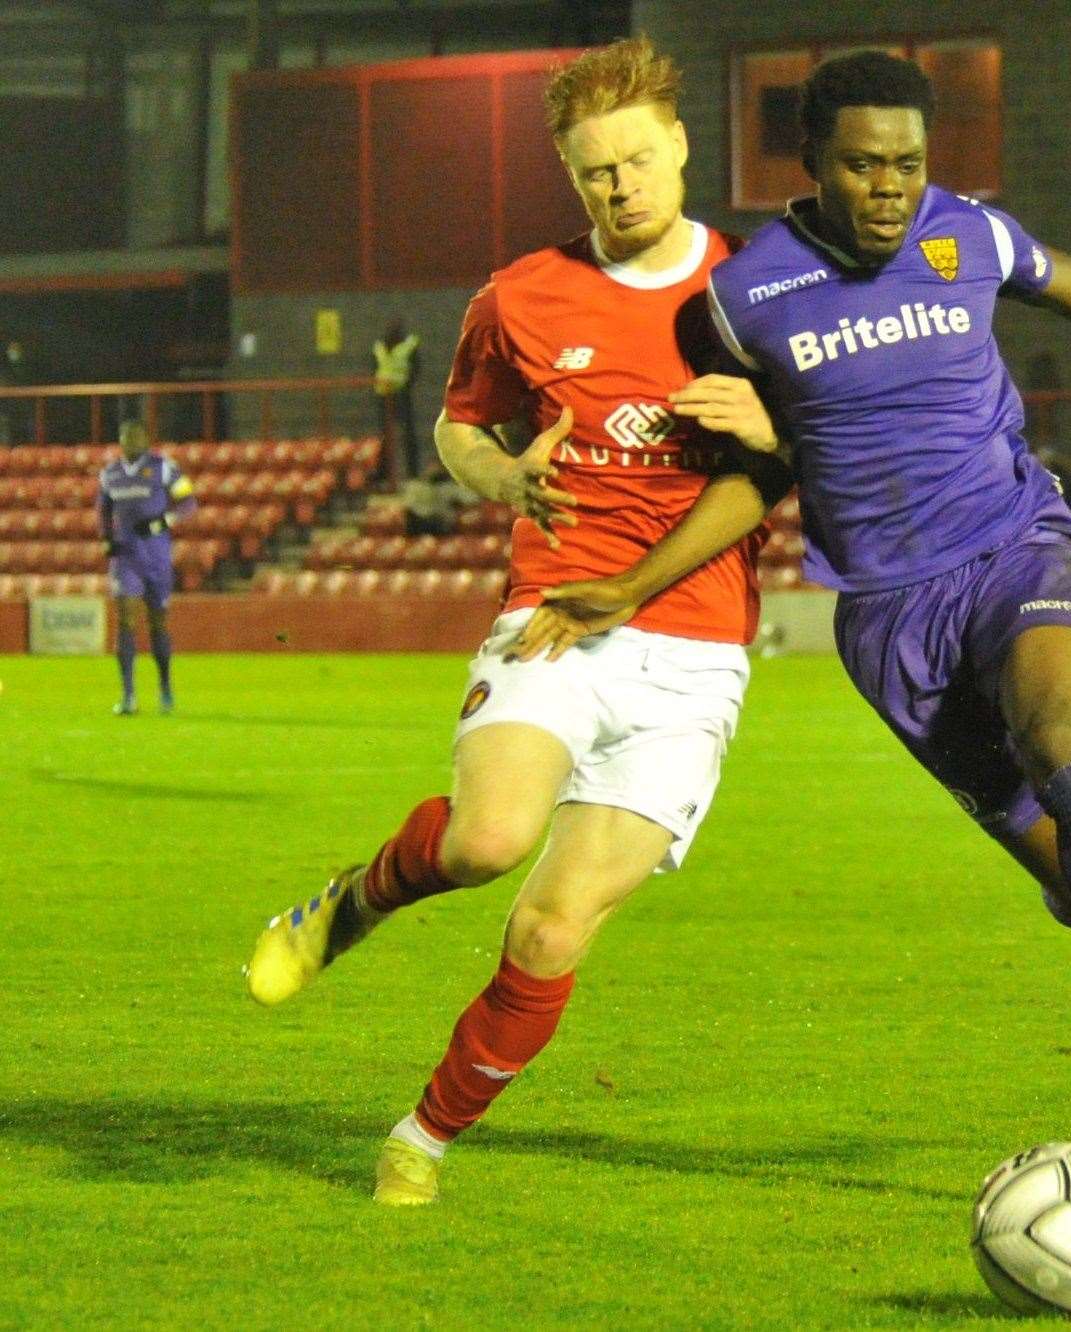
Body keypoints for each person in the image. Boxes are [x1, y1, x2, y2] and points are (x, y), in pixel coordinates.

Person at [538, 51, 1071, 1181]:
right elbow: (758, 471)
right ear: (810, 166)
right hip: (888, 619)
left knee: (1063, 736)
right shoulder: (737, 300)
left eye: (909, 165)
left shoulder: (964, 235)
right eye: (864, 166)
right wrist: (632, 581)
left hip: (1014, 544)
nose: (891, 190)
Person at [243, 37, 788, 1207]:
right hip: (557, 618)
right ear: (569, 174)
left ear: (683, 146)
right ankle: (353, 902)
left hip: (696, 653)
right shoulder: (521, 296)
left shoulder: (763, 294)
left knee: (551, 932)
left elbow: (818, 461)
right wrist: (498, 480)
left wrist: (771, 422)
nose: (621, 187)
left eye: (638, 160)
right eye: (595, 172)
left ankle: (422, 1138)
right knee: (488, 843)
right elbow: (456, 428)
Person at [98, 417, 196, 714]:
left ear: (147, 439)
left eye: (138, 436)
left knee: (158, 622)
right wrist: (106, 539)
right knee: (126, 619)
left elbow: (189, 503)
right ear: (120, 440)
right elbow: (103, 510)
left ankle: (165, 688)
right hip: (126, 558)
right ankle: (128, 696)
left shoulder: (164, 467)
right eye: (127, 436)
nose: (132, 441)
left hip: (156, 557)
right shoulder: (110, 474)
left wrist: (161, 522)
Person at [373, 317, 422, 478]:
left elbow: (416, 369)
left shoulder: (409, 346)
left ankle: (412, 472)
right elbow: (374, 369)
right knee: (384, 437)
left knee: (408, 435)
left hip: (402, 395)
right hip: (383, 396)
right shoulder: (379, 347)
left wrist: (405, 385)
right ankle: (383, 473)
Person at [400, 460, 475, 537]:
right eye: (432, 467)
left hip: (441, 524)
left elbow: (470, 499)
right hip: (419, 524)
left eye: (437, 467)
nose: (434, 470)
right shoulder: (415, 486)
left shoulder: (449, 487)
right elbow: (409, 507)